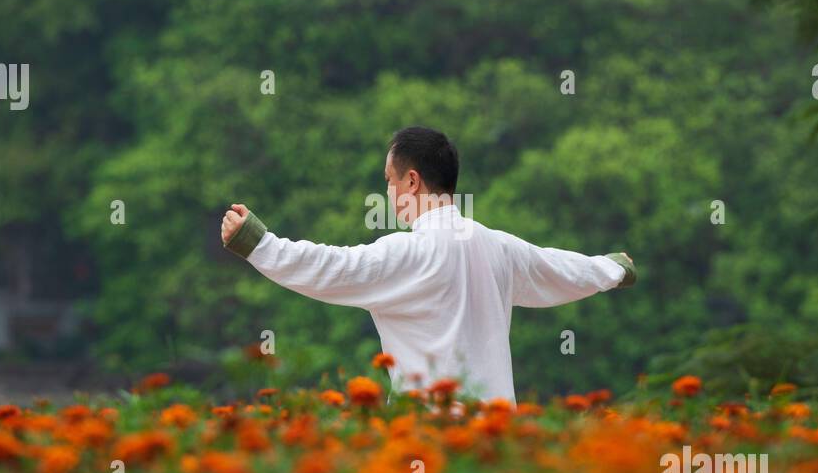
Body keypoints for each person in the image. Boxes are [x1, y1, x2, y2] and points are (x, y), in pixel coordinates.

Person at [221, 126, 636, 404]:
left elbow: (332, 267)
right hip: (502, 440)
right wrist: (613, 268)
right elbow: (560, 269)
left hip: (433, 442)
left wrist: (257, 242)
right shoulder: (499, 246)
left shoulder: (410, 253)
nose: (387, 189)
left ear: (413, 181)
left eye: (389, 179)